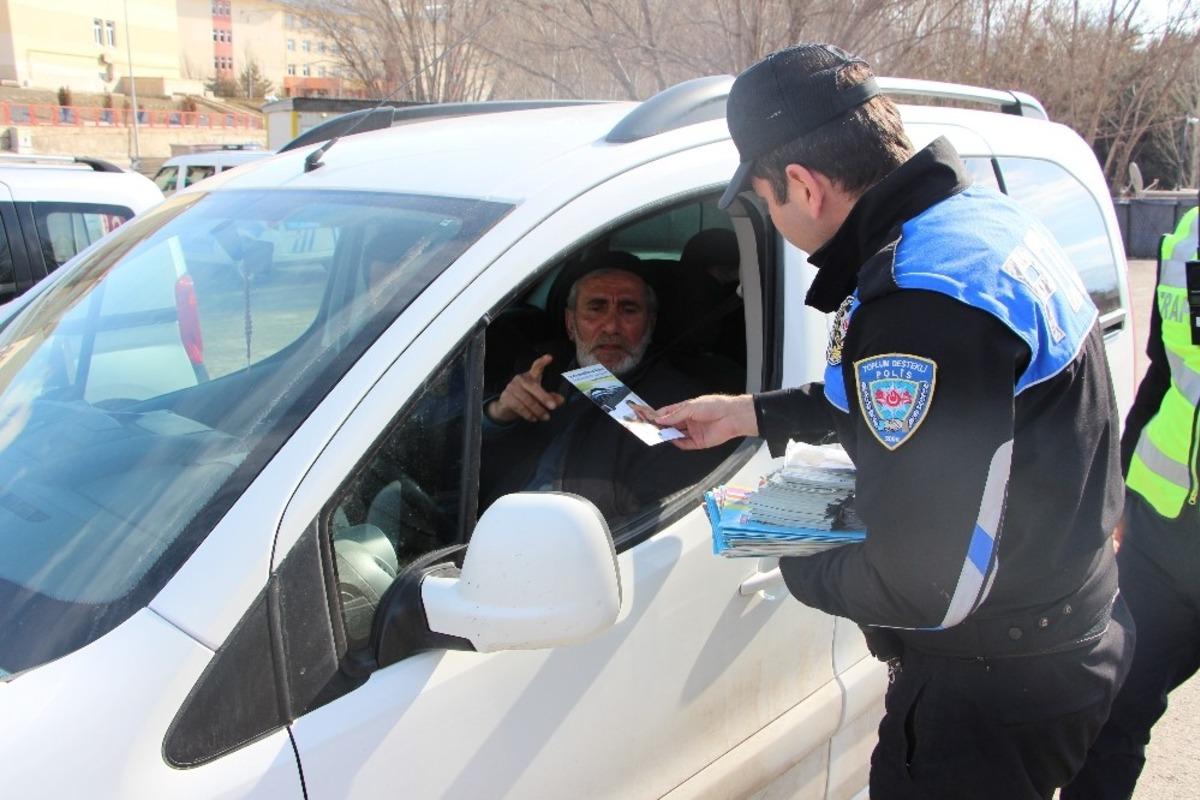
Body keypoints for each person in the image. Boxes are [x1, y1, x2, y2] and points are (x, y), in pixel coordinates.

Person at [642, 43, 1134, 799]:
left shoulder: (920, 300)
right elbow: (913, 409)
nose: (771, 221)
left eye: (765, 202)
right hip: (1062, 628)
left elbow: (928, 587)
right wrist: (752, 415)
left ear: (802, 186)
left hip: (991, 689)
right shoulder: (968, 224)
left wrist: (793, 555)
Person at [1062, 206, 1200, 799]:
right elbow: (1168, 373)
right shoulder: (1189, 235)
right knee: (1110, 711)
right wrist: (1116, 483)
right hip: (1164, 529)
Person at [479, 257, 735, 522]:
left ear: (650, 324)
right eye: (596, 308)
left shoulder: (678, 407)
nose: (611, 326)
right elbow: (458, 458)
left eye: (628, 310)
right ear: (570, 323)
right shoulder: (539, 369)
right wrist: (498, 414)